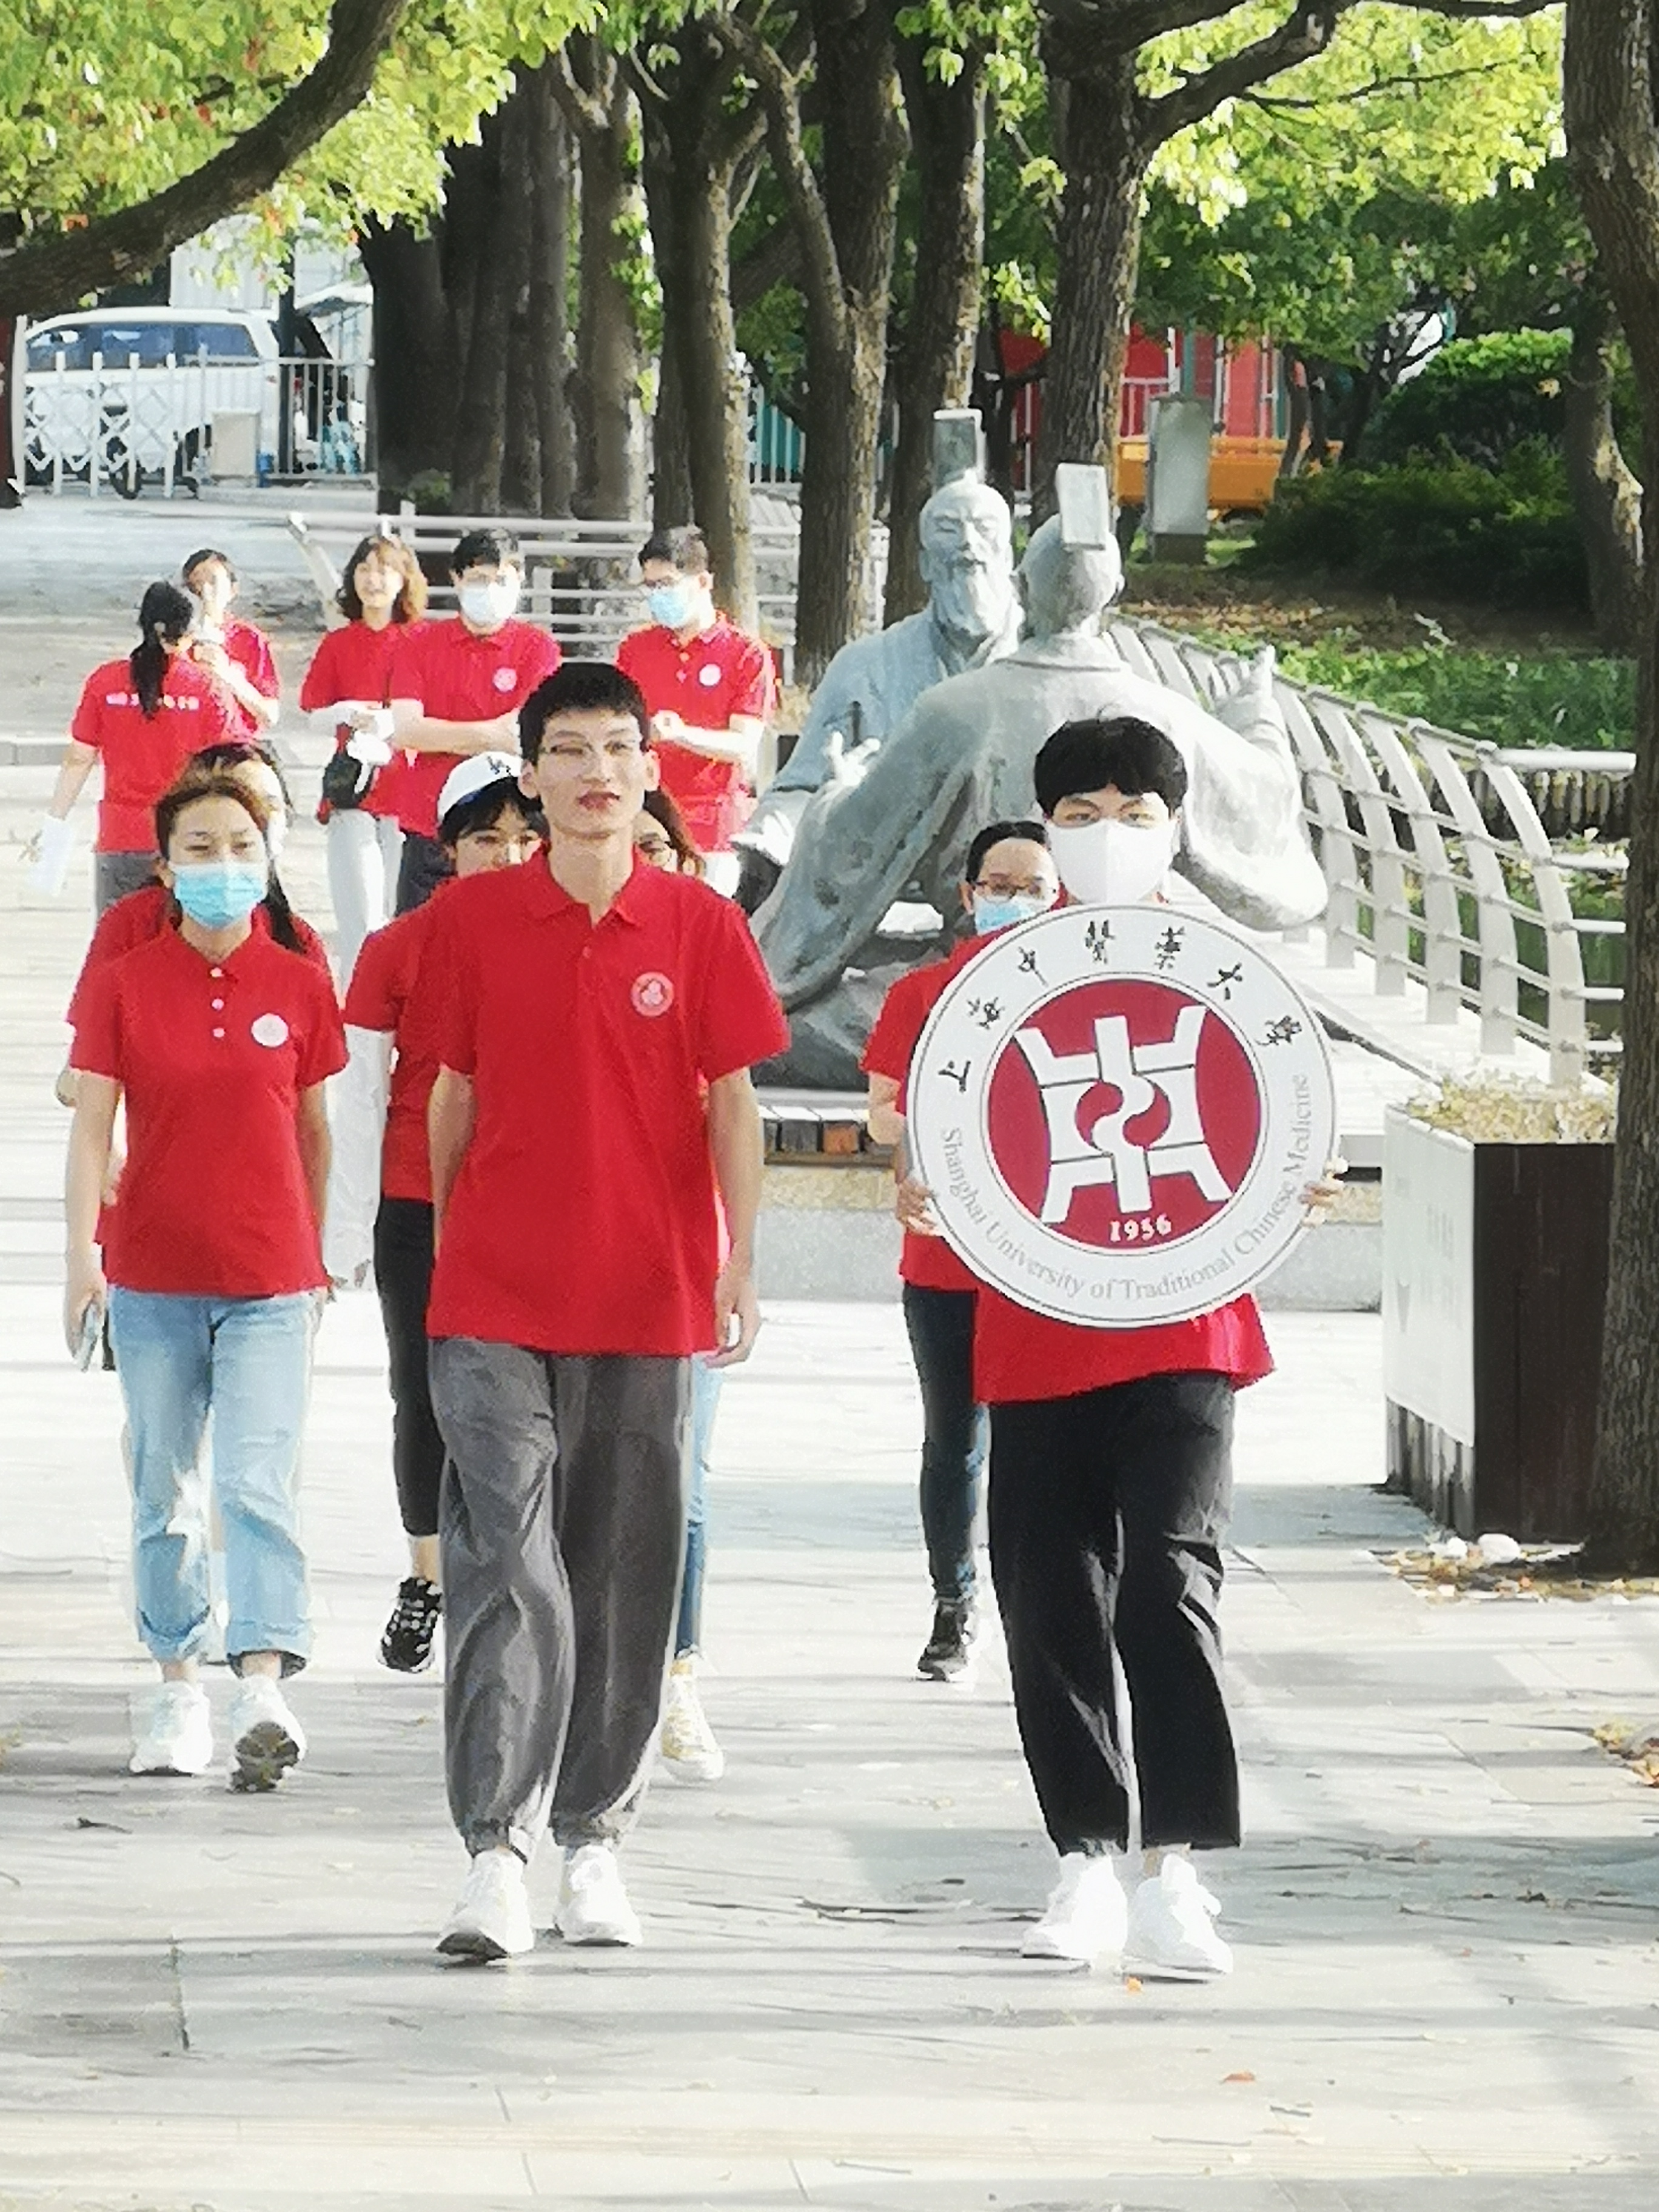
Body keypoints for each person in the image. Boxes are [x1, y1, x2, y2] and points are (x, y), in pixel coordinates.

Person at [898, 716, 1336, 1979]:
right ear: (1045, 825)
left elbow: (1284, 1116)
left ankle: (1175, 1867)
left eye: (1134, 813)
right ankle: (1085, 1858)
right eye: (1079, 814)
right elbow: (947, 1135)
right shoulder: (993, 984)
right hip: (1038, 1327)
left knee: (1170, 1582)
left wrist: (1298, 1184)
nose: (1107, 835)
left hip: (1189, 1325)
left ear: (1175, 826)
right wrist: (923, 1185)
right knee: (1049, 1595)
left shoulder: (1229, 970)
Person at [418, 662, 787, 1962]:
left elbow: (734, 1102)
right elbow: (452, 1092)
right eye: (567, 750)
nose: (594, 773)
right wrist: (451, 1248)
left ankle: (592, 1841)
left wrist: (738, 1260)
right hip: (493, 1293)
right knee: (506, 1561)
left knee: (624, 1566)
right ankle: (495, 1851)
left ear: (648, 769)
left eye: (616, 749)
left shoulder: (700, 924)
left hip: (647, 1288)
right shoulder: (471, 920)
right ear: (530, 775)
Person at [753, 515, 1326, 1086]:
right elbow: (1264, 800)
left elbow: (848, 854)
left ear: (1021, 588)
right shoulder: (1167, 717)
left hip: (979, 980)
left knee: (789, 1033)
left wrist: (837, 792)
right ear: (1115, 592)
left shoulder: (953, 711)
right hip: (1137, 976)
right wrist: (1255, 711)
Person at [62, 768, 346, 1788]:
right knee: (164, 1486)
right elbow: (91, 1126)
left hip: (271, 1280)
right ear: (165, 868)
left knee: (256, 1480)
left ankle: (262, 1678)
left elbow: (315, 1133)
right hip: (153, 1277)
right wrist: (81, 1261)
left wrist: (315, 1256)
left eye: (240, 846)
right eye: (200, 848)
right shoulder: (127, 982)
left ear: (266, 860)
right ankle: (178, 1681)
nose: (223, 864)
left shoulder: (299, 982)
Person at [324, 754, 545, 1675]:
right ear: (447, 848)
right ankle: (427, 1574)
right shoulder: (398, 948)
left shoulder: (563, 939)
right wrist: (345, 1229)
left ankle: (518, 1572)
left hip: (530, 1203)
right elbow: (360, 1096)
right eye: (487, 838)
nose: (508, 854)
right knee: (421, 1392)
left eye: (525, 837)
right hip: (417, 1201)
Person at [862, 822, 1059, 1683]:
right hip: (946, 1257)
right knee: (955, 1438)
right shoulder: (920, 996)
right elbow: (883, 1114)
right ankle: (954, 1601)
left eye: (1034, 887)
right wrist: (923, 1144)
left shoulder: (1078, 996)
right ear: (969, 895)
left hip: (1048, 1261)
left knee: (1042, 1440)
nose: (1015, 900)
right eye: (999, 886)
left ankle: (1043, 1605)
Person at [734, 476, 1021, 907]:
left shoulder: (1046, 666)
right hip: (881, 898)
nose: (967, 543)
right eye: (948, 528)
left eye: (984, 527)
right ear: (924, 564)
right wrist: (783, 830)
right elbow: (799, 791)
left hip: (1018, 892)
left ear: (1009, 556)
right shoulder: (863, 666)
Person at [631, 788, 730, 1783]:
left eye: (658, 845)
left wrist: (742, 1258)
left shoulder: (711, 951)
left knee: (682, 1480)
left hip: (684, 1261)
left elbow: (737, 1109)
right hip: (574, 1259)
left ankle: (678, 1674)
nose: (642, 859)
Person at [30, 582, 244, 913]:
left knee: (118, 937)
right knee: (181, 938)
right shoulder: (207, 689)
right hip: (188, 839)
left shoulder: (105, 682)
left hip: (121, 837)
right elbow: (232, 766)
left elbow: (78, 758)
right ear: (189, 633)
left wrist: (54, 821)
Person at [389, 528, 561, 915]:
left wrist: (444, 734)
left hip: (511, 828)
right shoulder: (419, 644)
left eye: (501, 579)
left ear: (520, 580)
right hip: (430, 823)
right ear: (457, 579)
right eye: (479, 579)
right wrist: (491, 733)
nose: (490, 590)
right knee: (422, 937)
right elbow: (406, 730)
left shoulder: (538, 648)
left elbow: (525, 734)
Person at [615, 526, 777, 889]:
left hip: (714, 831)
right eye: (650, 586)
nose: (657, 595)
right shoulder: (635, 650)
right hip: (648, 825)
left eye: (667, 584)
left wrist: (681, 734)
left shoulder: (746, 654)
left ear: (703, 582)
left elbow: (743, 744)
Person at [300, 532, 429, 981]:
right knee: (360, 915)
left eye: (385, 570)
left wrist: (393, 721)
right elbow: (312, 714)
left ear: (404, 579)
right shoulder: (339, 643)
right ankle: (357, 1003)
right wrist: (346, 712)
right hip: (354, 789)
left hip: (408, 791)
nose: (373, 580)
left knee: (400, 913)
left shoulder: (423, 641)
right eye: (365, 569)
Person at [181, 549, 281, 740]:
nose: (205, 591)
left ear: (232, 590)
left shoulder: (249, 639)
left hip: (236, 743)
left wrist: (228, 675)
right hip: (188, 743)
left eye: (213, 581)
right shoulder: (176, 639)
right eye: (196, 584)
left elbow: (270, 714)